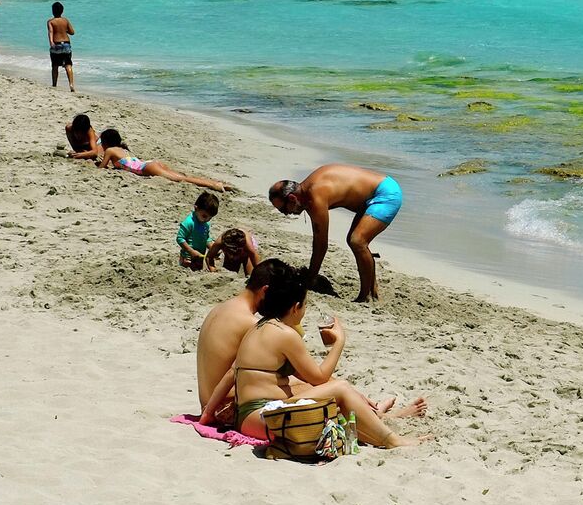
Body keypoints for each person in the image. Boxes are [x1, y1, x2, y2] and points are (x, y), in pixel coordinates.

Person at [198, 259, 427, 449]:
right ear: (295, 306)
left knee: (323, 394)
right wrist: (339, 342)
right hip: (249, 414)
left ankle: (375, 417)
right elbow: (316, 377)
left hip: (242, 413)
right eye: (304, 307)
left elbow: (233, 371)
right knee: (337, 388)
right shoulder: (272, 330)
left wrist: (206, 414)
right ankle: (390, 437)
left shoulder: (249, 324)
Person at [269, 164, 404, 303]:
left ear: (292, 198)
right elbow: (319, 243)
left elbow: (321, 245)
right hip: (377, 191)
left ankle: (366, 296)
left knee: (357, 241)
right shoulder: (307, 193)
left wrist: (310, 280)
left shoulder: (315, 197)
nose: (286, 214)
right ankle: (372, 288)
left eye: (283, 209)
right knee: (356, 241)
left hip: (386, 194)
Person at [195, 258, 278, 417]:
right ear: (265, 291)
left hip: (208, 402)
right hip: (225, 409)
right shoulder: (250, 322)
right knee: (306, 388)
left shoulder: (220, 309)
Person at [97, 129, 234, 192]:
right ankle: (215, 183)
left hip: (146, 168)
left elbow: (102, 167)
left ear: (106, 142)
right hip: (148, 164)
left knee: (182, 179)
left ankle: (214, 185)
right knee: (183, 177)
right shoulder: (122, 149)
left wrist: (98, 162)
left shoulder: (109, 151)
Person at [178, 192, 220, 271]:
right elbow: (180, 238)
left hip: (200, 256)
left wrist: (213, 248)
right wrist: (191, 251)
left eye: (210, 218)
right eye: (204, 216)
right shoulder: (189, 222)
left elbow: (206, 238)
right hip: (187, 257)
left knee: (198, 270)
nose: (206, 220)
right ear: (196, 208)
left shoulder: (205, 224)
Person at [47, 1, 75, 91]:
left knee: (55, 65)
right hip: (66, 44)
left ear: (53, 11)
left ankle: (54, 84)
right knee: (68, 65)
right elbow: (72, 32)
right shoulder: (65, 20)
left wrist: (51, 42)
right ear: (62, 11)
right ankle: (71, 85)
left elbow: (51, 32)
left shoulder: (51, 21)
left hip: (57, 44)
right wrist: (64, 30)